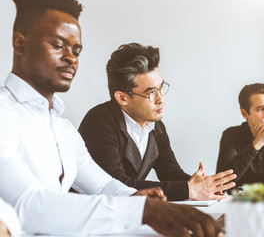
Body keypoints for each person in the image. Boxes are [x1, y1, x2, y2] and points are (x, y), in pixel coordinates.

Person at [0, 0, 221, 236]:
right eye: (57, 44)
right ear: (19, 44)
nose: (71, 58)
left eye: (76, 50)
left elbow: (103, 185)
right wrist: (143, 212)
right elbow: (28, 205)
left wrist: (141, 201)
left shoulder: (64, 130)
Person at [78, 43, 236, 201]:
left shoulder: (156, 126)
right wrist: (189, 190)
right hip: (91, 216)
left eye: (161, 88)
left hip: (128, 214)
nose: (161, 99)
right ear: (122, 98)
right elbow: (118, 185)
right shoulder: (98, 123)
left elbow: (171, 173)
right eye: (151, 92)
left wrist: (203, 186)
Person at [216, 83, 264, 188]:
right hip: (241, 201)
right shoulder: (232, 135)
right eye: (261, 109)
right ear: (244, 114)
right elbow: (222, 182)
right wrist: (256, 144)